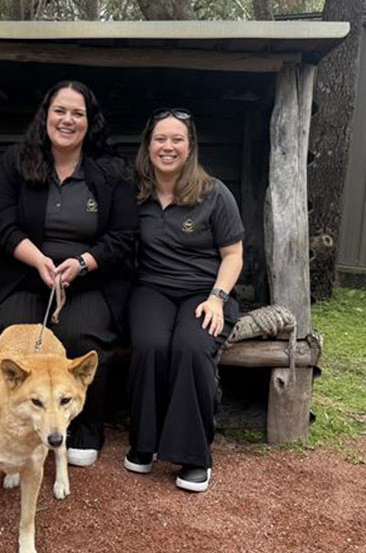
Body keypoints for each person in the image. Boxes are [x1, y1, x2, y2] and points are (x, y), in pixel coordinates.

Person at [0, 80, 137, 467]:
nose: (67, 120)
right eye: (60, 111)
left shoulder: (112, 171)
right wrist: (37, 259)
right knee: (16, 338)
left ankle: (83, 429)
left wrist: (83, 263)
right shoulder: (17, 161)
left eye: (77, 113)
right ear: (45, 116)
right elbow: (0, 221)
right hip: (24, 273)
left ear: (90, 121)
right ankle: (9, 428)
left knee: (79, 338)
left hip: (90, 281)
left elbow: (124, 236)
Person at [124, 108, 244, 492]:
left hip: (204, 292)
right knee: (150, 345)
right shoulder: (135, 193)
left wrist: (217, 298)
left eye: (177, 139)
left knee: (191, 347)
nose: (168, 146)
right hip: (153, 288)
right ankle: (144, 443)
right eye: (160, 138)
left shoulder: (214, 193)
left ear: (190, 147)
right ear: (148, 146)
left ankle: (194, 455)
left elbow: (233, 255)